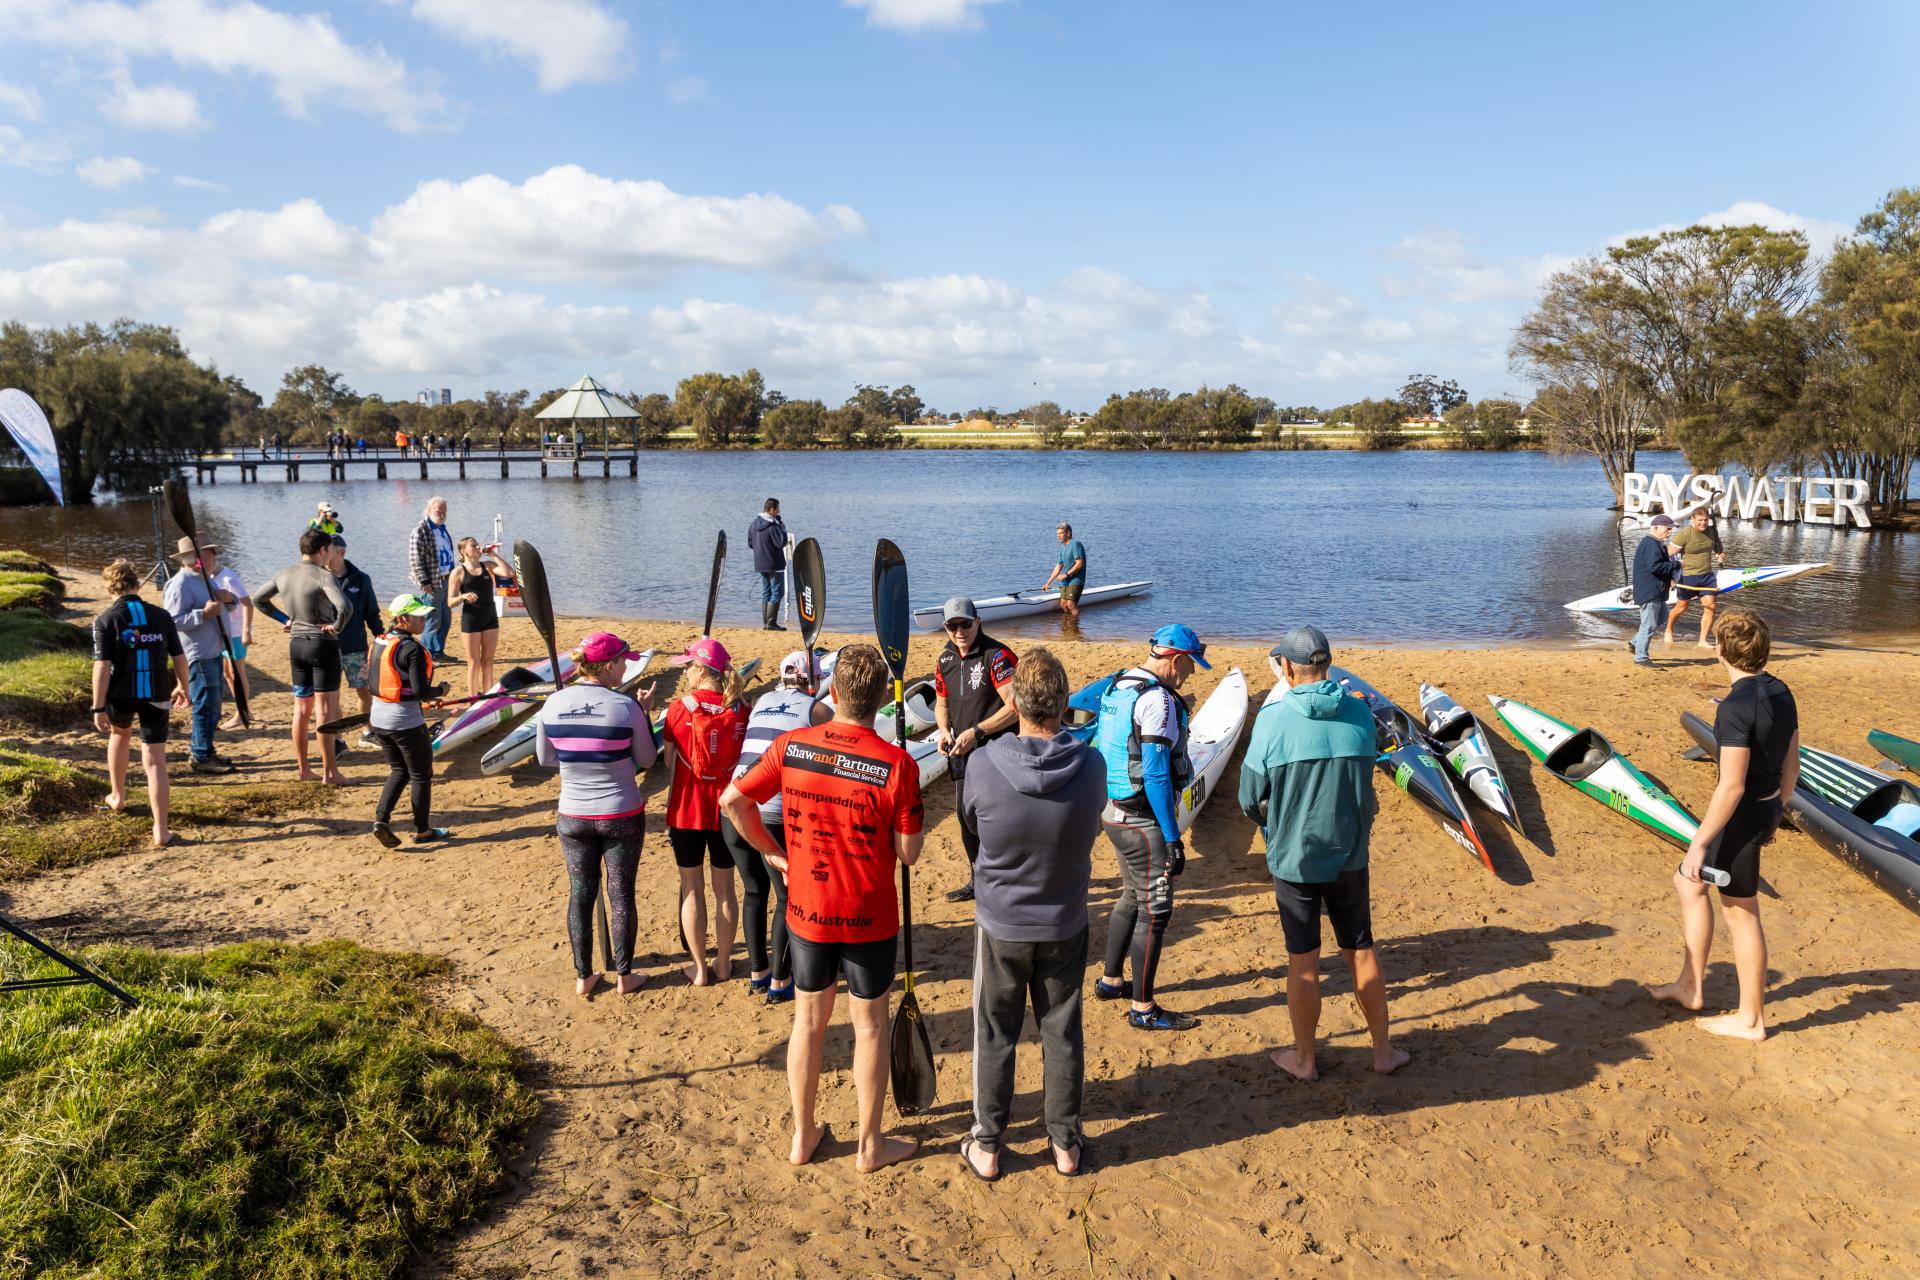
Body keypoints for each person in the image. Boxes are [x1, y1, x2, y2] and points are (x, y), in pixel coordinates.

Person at [719, 644, 924, 1173]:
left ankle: (802, 1134)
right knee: (870, 1027)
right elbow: (908, 854)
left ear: (832, 695)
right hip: (869, 914)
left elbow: (732, 802)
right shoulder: (897, 764)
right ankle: (870, 1145)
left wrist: (770, 851)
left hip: (808, 911)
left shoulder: (791, 747)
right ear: (880, 700)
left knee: (808, 1022)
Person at [958, 648, 1104, 1181]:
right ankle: (1065, 1144)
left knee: (995, 1031)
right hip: (1063, 918)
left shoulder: (981, 763)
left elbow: (972, 828)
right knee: (1061, 1031)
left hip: (1001, 921)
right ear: (1064, 704)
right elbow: (1088, 830)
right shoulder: (1091, 765)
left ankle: (989, 1144)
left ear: (1015, 701)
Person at [1238, 626, 1408, 1079]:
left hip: (1295, 858)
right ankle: (1383, 1052)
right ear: (1327, 665)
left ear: (1288, 668)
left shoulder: (1273, 720)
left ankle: (1305, 1059)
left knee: (1304, 961)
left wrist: (1275, 826)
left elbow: (1249, 797)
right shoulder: (1360, 715)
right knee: (1361, 950)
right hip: (1350, 855)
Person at [1647, 610, 1798, 1041]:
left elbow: (1730, 787)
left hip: (1742, 816)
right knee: (1689, 885)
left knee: (1741, 913)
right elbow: (1793, 761)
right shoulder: (1781, 690)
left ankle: (1751, 1020)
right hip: (1764, 808)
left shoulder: (1735, 707)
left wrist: (1699, 844)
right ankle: (1690, 985)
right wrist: (1778, 811)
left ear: (1720, 650)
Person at [1092, 623, 1208, 1031]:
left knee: (1130, 896)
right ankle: (1143, 1009)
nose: (1192, 674)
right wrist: (1174, 837)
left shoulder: (1117, 685)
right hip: (1141, 822)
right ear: (1176, 660)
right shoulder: (1157, 701)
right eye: (1192, 666)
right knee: (1155, 913)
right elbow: (1157, 775)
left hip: (1112, 813)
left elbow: (1097, 744)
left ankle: (1110, 981)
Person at [535, 631, 660, 1000]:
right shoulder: (625, 707)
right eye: (624, 661)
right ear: (606, 666)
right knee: (620, 893)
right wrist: (647, 713)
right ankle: (624, 975)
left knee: (581, 892)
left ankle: (583, 977)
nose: (626, 667)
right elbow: (648, 759)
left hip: (572, 814)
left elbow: (546, 759)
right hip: (621, 812)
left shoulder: (553, 703)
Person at [721, 650, 833, 1004]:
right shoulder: (814, 709)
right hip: (774, 817)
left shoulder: (761, 701)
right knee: (787, 899)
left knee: (755, 893)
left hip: (735, 811)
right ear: (810, 679)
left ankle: (758, 973)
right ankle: (781, 981)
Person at [661, 638, 749, 986]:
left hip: (686, 809)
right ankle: (724, 963)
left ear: (700, 670)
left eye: (687, 666)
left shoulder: (679, 708)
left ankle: (699, 968)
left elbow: (669, 761)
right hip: (726, 809)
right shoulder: (741, 707)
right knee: (725, 887)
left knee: (692, 888)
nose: (685, 672)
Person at [91, 560, 192, 848]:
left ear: (110, 587)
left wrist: (97, 706)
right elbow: (179, 657)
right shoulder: (161, 616)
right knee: (155, 760)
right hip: (156, 694)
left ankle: (117, 797)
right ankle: (161, 830)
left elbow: (102, 666)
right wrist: (183, 686)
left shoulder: (105, 620)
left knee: (120, 734)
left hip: (120, 694)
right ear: (137, 584)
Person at [933, 597, 1019, 903]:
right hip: (962, 751)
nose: (959, 631)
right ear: (945, 627)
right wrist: (943, 730)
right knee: (964, 816)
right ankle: (977, 879)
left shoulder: (996, 656)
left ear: (977, 622)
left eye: (965, 624)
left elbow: (1016, 706)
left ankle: (1005, 878)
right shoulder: (945, 659)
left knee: (997, 818)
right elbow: (942, 703)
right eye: (952, 626)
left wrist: (977, 731)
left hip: (998, 750)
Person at [254, 528, 351, 785]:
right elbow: (345, 607)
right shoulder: (322, 575)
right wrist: (337, 626)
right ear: (322, 550)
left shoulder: (284, 573)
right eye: (330, 549)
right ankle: (330, 772)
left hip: (296, 644)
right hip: (322, 644)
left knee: (301, 710)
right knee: (325, 710)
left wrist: (284, 619)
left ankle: (304, 769)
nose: (331, 554)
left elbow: (258, 599)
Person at [368, 592, 452, 846]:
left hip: (379, 719)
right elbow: (420, 691)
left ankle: (380, 821)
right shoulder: (412, 648)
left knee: (398, 771)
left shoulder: (381, 641)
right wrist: (440, 691)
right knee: (421, 775)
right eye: (418, 617)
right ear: (402, 619)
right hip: (404, 721)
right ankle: (423, 831)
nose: (423, 620)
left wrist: (426, 697)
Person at [161, 536, 237, 775]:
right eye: (207, 553)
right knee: (205, 704)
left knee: (214, 704)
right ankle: (201, 755)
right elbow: (171, 621)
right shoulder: (180, 583)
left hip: (213, 649)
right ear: (192, 558)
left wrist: (230, 599)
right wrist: (201, 615)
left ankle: (206, 750)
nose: (213, 557)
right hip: (197, 653)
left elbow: (226, 606)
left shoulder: (206, 579)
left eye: (212, 552)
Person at [326, 534, 382, 744]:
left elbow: (372, 613)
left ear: (341, 552)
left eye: (327, 550)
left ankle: (367, 733)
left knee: (366, 692)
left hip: (355, 646)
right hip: (327, 647)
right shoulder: (318, 577)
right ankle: (337, 739)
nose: (323, 555)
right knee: (332, 696)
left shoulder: (361, 578)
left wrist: (381, 639)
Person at [448, 537, 514, 698]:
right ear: (464, 551)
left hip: (490, 617)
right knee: (473, 662)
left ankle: (487, 695)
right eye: (473, 545)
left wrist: (493, 555)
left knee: (488, 661)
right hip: (471, 619)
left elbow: (509, 573)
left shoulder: (488, 566)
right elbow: (450, 602)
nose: (478, 547)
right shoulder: (458, 572)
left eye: (478, 545)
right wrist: (463, 596)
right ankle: (473, 698)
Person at [204, 546, 253, 733]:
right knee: (227, 672)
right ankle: (245, 709)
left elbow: (248, 603)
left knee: (237, 671)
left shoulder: (228, 577)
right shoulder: (207, 577)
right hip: (223, 631)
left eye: (205, 555)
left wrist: (247, 630)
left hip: (236, 632)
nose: (201, 559)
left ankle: (242, 714)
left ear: (214, 556)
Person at [1665, 506, 1725, 649]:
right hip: (1687, 576)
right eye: (1699, 520)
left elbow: (1717, 546)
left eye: (1705, 520)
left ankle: (1702, 640)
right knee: (1681, 607)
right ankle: (1668, 629)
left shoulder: (1712, 531)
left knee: (1710, 606)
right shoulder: (1685, 534)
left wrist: (1719, 554)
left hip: (1707, 575)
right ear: (1692, 519)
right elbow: (1668, 555)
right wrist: (1670, 576)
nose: (1703, 523)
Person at [408, 496, 457, 663]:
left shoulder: (442, 529)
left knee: (446, 618)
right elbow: (415, 559)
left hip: (447, 580)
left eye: (444, 510)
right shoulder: (421, 530)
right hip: (432, 582)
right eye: (438, 510)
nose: (441, 513)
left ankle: (438, 652)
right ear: (428, 510)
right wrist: (424, 582)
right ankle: (427, 655)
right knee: (432, 620)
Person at [1630, 514, 1681, 665]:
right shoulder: (1651, 544)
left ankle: (1634, 643)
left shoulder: (1656, 544)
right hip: (1650, 591)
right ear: (1656, 528)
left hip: (1655, 590)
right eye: (1668, 529)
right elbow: (1655, 567)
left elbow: (1658, 566)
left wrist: (1671, 577)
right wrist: (1678, 565)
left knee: (1661, 617)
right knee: (1649, 624)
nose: (1670, 532)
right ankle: (1641, 657)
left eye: (1671, 529)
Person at [748, 498, 789, 631]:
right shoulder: (773, 525)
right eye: (777, 509)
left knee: (766, 591)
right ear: (771, 510)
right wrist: (783, 530)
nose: (779, 511)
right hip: (774, 563)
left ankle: (766, 623)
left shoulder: (754, 523)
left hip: (760, 562)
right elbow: (780, 543)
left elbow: (750, 543)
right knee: (777, 592)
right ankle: (771, 623)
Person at [1041, 522, 1088, 621]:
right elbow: (1058, 567)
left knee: (1070, 604)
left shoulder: (1075, 544)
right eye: (1057, 534)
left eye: (1061, 533)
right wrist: (1048, 583)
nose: (1059, 536)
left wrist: (1066, 574)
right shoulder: (1062, 547)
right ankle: (1067, 627)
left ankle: (1075, 628)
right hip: (1066, 580)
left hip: (1076, 579)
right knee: (1063, 604)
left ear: (1068, 533)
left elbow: (1080, 564)